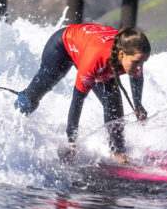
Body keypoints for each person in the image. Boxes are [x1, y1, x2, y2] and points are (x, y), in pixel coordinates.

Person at [14, 23, 150, 162]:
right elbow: (77, 100)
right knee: (33, 97)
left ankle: (118, 153)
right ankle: (13, 117)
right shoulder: (95, 61)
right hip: (62, 46)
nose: (139, 68)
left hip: (89, 47)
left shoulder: (130, 56)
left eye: (143, 63)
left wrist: (138, 105)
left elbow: (137, 78)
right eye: (137, 62)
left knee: (113, 103)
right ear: (121, 54)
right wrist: (71, 141)